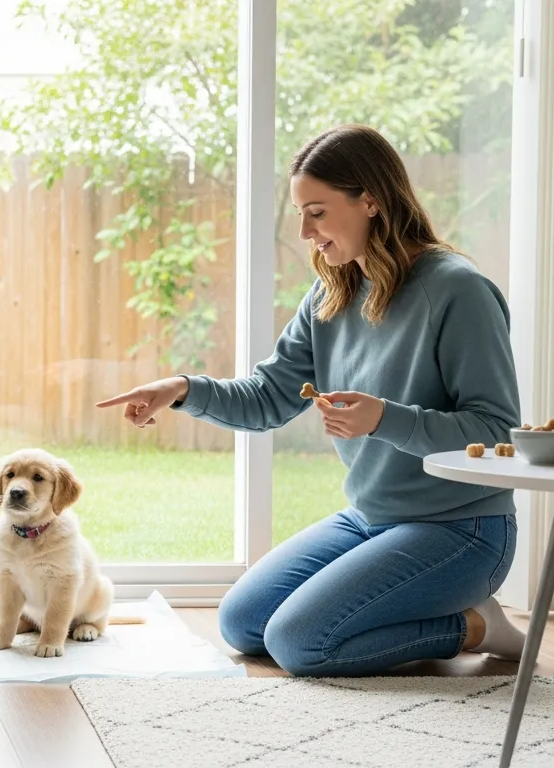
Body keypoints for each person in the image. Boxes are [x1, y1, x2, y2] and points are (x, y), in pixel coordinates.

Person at [95, 124, 525, 677]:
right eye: (300, 212)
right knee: (243, 624)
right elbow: (270, 398)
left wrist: (384, 419)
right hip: (371, 517)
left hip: (462, 528)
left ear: (371, 200)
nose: (304, 230)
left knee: (300, 643)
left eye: (317, 212)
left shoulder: (458, 291)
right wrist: (181, 390)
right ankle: (442, 616)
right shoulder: (333, 291)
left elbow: (496, 434)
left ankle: (476, 626)